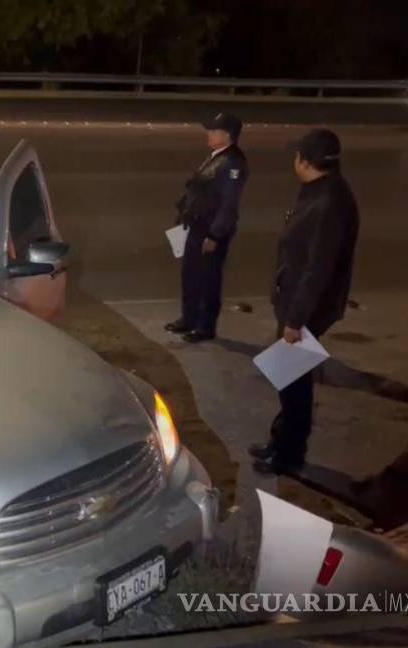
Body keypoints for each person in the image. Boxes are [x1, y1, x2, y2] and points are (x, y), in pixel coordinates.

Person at [251, 129, 360, 475]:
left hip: (306, 308)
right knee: (288, 379)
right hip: (297, 301)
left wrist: (295, 321)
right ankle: (281, 441)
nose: (293, 160)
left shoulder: (329, 203)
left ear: (307, 162)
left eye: (297, 155)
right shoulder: (320, 191)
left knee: (293, 383)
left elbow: (318, 269)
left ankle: (289, 455)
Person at [166, 113, 249, 343]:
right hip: (197, 223)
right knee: (191, 274)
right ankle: (189, 319)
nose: (209, 134)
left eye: (214, 131)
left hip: (211, 229)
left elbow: (228, 204)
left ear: (228, 136)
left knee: (207, 278)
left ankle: (204, 327)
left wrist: (215, 234)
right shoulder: (216, 156)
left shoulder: (233, 163)